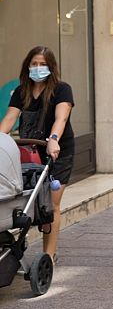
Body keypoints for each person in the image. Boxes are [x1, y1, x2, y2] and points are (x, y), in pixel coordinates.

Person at [0, 46, 74, 264]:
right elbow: (9, 119)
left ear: (51, 67)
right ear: (27, 66)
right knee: (32, 202)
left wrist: (53, 139)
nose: (38, 68)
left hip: (57, 151)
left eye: (43, 64)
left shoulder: (62, 89)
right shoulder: (21, 91)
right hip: (29, 151)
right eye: (34, 64)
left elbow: (61, 118)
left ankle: (49, 255)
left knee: (52, 204)